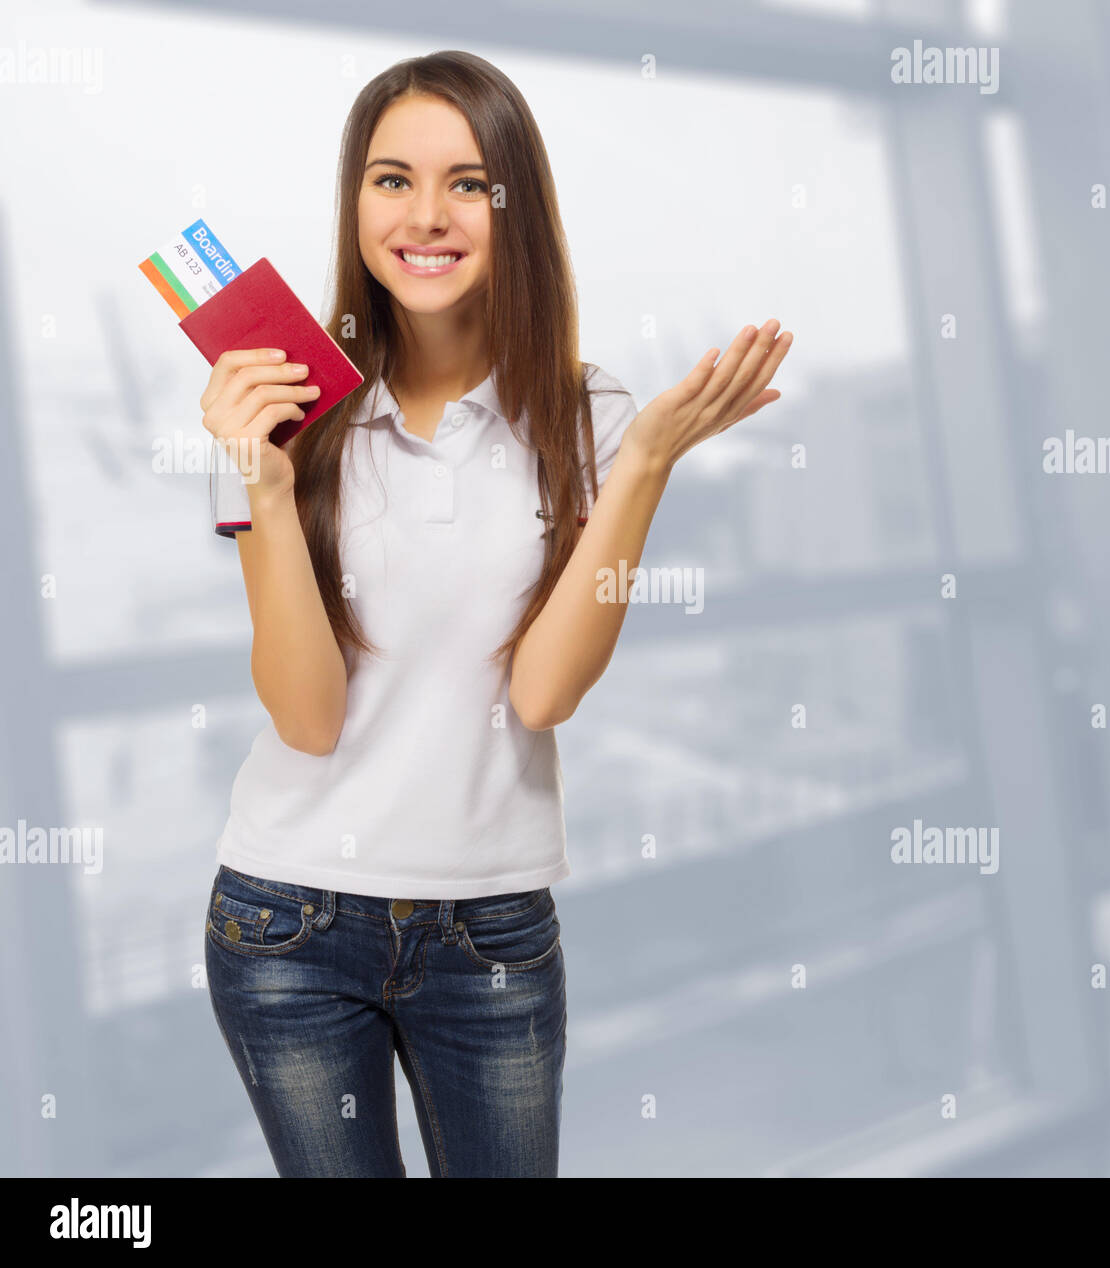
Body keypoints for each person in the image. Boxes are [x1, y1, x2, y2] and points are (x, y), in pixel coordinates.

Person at [199, 49, 792, 1178]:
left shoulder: (596, 415)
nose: (426, 215)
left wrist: (648, 463)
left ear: (512, 205)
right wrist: (265, 485)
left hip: (494, 928)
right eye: (391, 180)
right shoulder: (276, 403)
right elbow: (307, 718)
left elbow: (544, 692)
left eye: (467, 182)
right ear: (354, 200)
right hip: (285, 922)